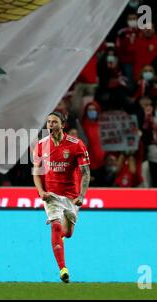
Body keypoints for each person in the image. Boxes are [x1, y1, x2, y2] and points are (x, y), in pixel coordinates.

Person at [33, 111, 91, 283]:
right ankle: (63, 269)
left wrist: (81, 195)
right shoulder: (41, 145)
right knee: (56, 227)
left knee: (68, 233)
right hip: (51, 195)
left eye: (54, 122)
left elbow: (86, 173)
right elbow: (36, 172)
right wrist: (41, 192)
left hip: (71, 197)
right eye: (48, 122)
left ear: (63, 124)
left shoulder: (76, 145)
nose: (50, 124)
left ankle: (62, 233)